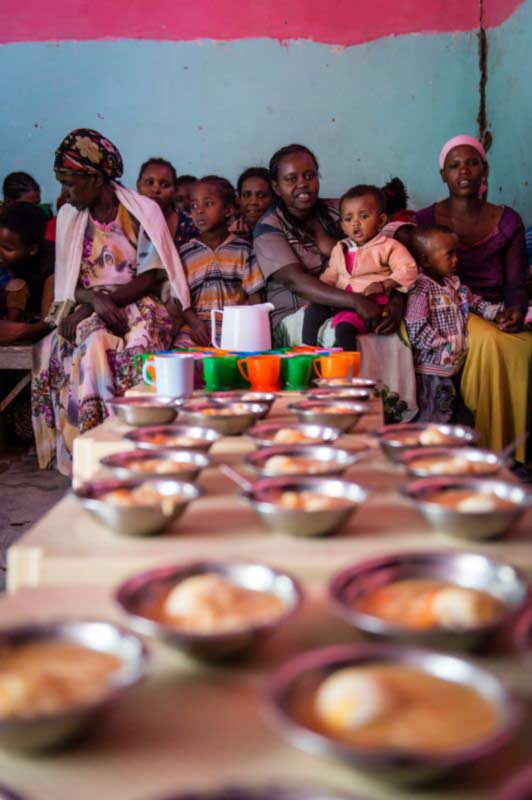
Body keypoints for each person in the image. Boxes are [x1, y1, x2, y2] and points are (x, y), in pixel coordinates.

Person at [32, 128, 190, 475]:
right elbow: (68, 281)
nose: (65, 193)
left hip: (140, 301)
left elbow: (152, 274)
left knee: (136, 344)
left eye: (71, 183)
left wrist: (104, 304)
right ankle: (92, 454)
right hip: (90, 307)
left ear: (97, 179)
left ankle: (133, 447)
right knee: (86, 342)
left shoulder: (141, 211)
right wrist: (91, 302)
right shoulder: (69, 219)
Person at [253, 144, 417, 422]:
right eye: (291, 179)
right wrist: (358, 301)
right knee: (337, 335)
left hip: (359, 300)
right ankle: (337, 405)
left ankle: (383, 419)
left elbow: (386, 254)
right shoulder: (268, 228)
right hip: (298, 311)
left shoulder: (337, 211)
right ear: (276, 187)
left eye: (309, 175)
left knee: (396, 327)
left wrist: (395, 301)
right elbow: (298, 283)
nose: (303, 185)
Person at [415, 134, 532, 461]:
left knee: (523, 347)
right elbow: (417, 280)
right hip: (449, 308)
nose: (464, 171)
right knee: (495, 345)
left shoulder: (507, 220)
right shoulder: (424, 221)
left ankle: (520, 450)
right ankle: (494, 451)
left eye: (472, 163)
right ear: (443, 175)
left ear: (485, 169)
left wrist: (516, 309)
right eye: (454, 165)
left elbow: (516, 281)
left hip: (494, 308)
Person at [406, 225, 505, 421]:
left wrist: (495, 313)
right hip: (432, 371)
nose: (456, 259)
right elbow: (415, 328)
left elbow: (474, 301)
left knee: (452, 412)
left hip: (453, 366)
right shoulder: (421, 288)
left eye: (456, 253)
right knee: (433, 418)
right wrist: (445, 347)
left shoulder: (453, 283)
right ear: (426, 260)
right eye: (449, 254)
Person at [302, 184, 417, 347]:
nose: (355, 223)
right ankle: (307, 348)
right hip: (342, 300)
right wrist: (319, 291)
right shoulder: (340, 248)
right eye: (348, 219)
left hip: (369, 304)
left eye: (363, 216)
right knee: (313, 310)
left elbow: (409, 269)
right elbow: (331, 274)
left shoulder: (388, 246)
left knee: (344, 329)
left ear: (381, 220)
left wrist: (384, 284)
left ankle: (347, 365)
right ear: (342, 225)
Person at [175, 175, 265, 347]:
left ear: (228, 210)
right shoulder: (185, 253)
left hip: (235, 326)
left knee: (240, 361)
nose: (199, 210)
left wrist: (254, 329)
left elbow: (254, 296)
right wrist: (194, 324)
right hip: (197, 327)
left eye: (208, 204)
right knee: (183, 357)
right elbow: (180, 299)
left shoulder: (244, 250)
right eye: (194, 206)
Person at [0, 202, 54, 322]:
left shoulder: (50, 264)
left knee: (16, 286)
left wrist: (13, 332)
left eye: (7, 249)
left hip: (30, 326)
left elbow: (47, 322)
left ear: (32, 249)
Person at [137, 158, 198, 246]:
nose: (156, 190)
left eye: (165, 185)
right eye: (149, 182)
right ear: (138, 186)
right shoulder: (127, 221)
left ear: (174, 191)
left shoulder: (191, 225)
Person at [230, 167, 273, 236]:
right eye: (246, 195)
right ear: (238, 199)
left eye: (261, 196)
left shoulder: (285, 230)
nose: (253, 202)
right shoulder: (228, 230)